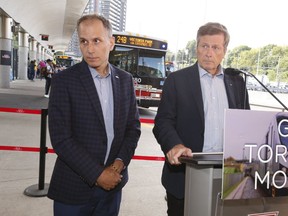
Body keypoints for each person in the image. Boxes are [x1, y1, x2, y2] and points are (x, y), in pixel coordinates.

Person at [47, 14, 141, 216]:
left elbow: (132, 129)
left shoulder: (125, 80)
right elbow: (61, 139)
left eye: (96, 41)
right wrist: (98, 174)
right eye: (84, 41)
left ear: (111, 43)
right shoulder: (64, 81)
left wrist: (120, 162)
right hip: (73, 190)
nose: (89, 49)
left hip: (113, 188)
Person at [153, 22, 250, 216]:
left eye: (215, 47)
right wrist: (175, 145)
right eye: (204, 46)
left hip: (230, 175)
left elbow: (245, 124)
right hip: (185, 174)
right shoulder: (177, 80)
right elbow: (163, 121)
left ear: (224, 51)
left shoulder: (237, 82)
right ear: (196, 48)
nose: (209, 53)